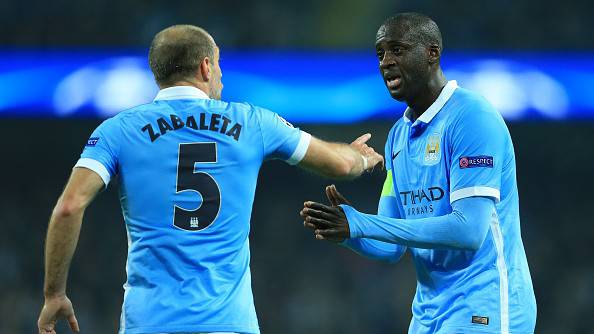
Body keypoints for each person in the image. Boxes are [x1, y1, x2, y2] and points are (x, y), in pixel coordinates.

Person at [37, 25, 383, 334]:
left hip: (150, 322)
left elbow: (69, 207)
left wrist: (54, 293)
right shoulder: (253, 123)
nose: (220, 74)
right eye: (218, 64)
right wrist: (361, 158)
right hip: (228, 322)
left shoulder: (118, 130)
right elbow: (340, 165)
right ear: (205, 66)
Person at [301, 13, 537, 334]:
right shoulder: (399, 137)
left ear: (432, 53)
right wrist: (350, 232)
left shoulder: (471, 118)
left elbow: (468, 231)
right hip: (429, 314)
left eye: (397, 50)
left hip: (484, 306)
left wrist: (365, 223)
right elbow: (391, 247)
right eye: (380, 54)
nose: (386, 62)